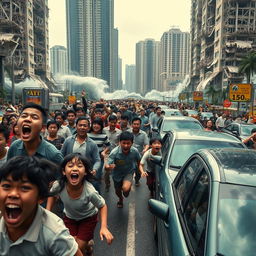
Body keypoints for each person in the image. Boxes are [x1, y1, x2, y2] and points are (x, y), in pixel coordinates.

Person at [0, 156, 82, 256]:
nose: (13, 194)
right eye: (7, 186)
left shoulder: (55, 234)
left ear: (41, 197)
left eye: (25, 188)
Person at [47, 153, 113, 255]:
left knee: (78, 247)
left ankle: (86, 244)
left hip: (88, 219)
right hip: (69, 218)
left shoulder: (89, 191)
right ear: (64, 172)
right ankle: (88, 245)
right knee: (72, 245)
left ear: (86, 172)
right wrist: (47, 212)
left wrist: (103, 227)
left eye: (79, 165)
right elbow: (52, 194)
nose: (74, 168)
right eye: (70, 165)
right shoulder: (59, 185)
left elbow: (102, 205)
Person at [105, 131, 141, 208]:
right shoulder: (114, 152)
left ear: (132, 143)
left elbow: (139, 160)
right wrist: (108, 167)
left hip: (129, 172)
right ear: (119, 142)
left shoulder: (135, 151)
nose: (126, 145)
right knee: (117, 191)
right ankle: (120, 199)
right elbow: (107, 165)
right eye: (123, 143)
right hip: (117, 174)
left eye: (128, 143)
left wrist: (139, 170)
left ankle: (126, 189)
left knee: (125, 190)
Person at [87, 118, 110, 192]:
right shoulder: (86, 134)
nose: (96, 126)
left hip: (99, 159)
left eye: (98, 124)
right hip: (87, 159)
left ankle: (97, 197)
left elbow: (108, 146)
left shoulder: (104, 136)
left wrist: (104, 152)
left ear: (101, 126)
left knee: (96, 178)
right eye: (94, 124)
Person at [103, 115, 121, 191]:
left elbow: (120, 142)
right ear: (108, 122)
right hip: (106, 153)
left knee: (117, 170)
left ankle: (118, 185)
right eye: (111, 122)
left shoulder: (119, 132)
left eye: (114, 122)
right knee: (106, 171)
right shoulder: (104, 130)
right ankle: (107, 184)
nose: (113, 124)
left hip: (116, 154)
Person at [130, 117, 149, 186]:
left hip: (139, 157)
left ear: (140, 125)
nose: (136, 126)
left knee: (138, 172)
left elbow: (147, 144)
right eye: (134, 124)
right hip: (128, 156)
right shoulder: (128, 133)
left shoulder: (143, 134)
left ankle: (137, 180)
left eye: (137, 124)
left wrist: (145, 149)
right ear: (131, 124)